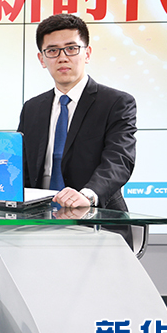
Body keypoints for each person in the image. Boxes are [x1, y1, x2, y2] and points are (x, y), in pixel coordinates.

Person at [18, 13, 137, 247]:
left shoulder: (116, 103)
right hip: (37, 226)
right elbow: (22, 168)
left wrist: (88, 195)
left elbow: (119, 160)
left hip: (97, 224)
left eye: (71, 48)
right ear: (42, 59)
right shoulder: (32, 108)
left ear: (87, 53)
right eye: (52, 51)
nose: (62, 57)